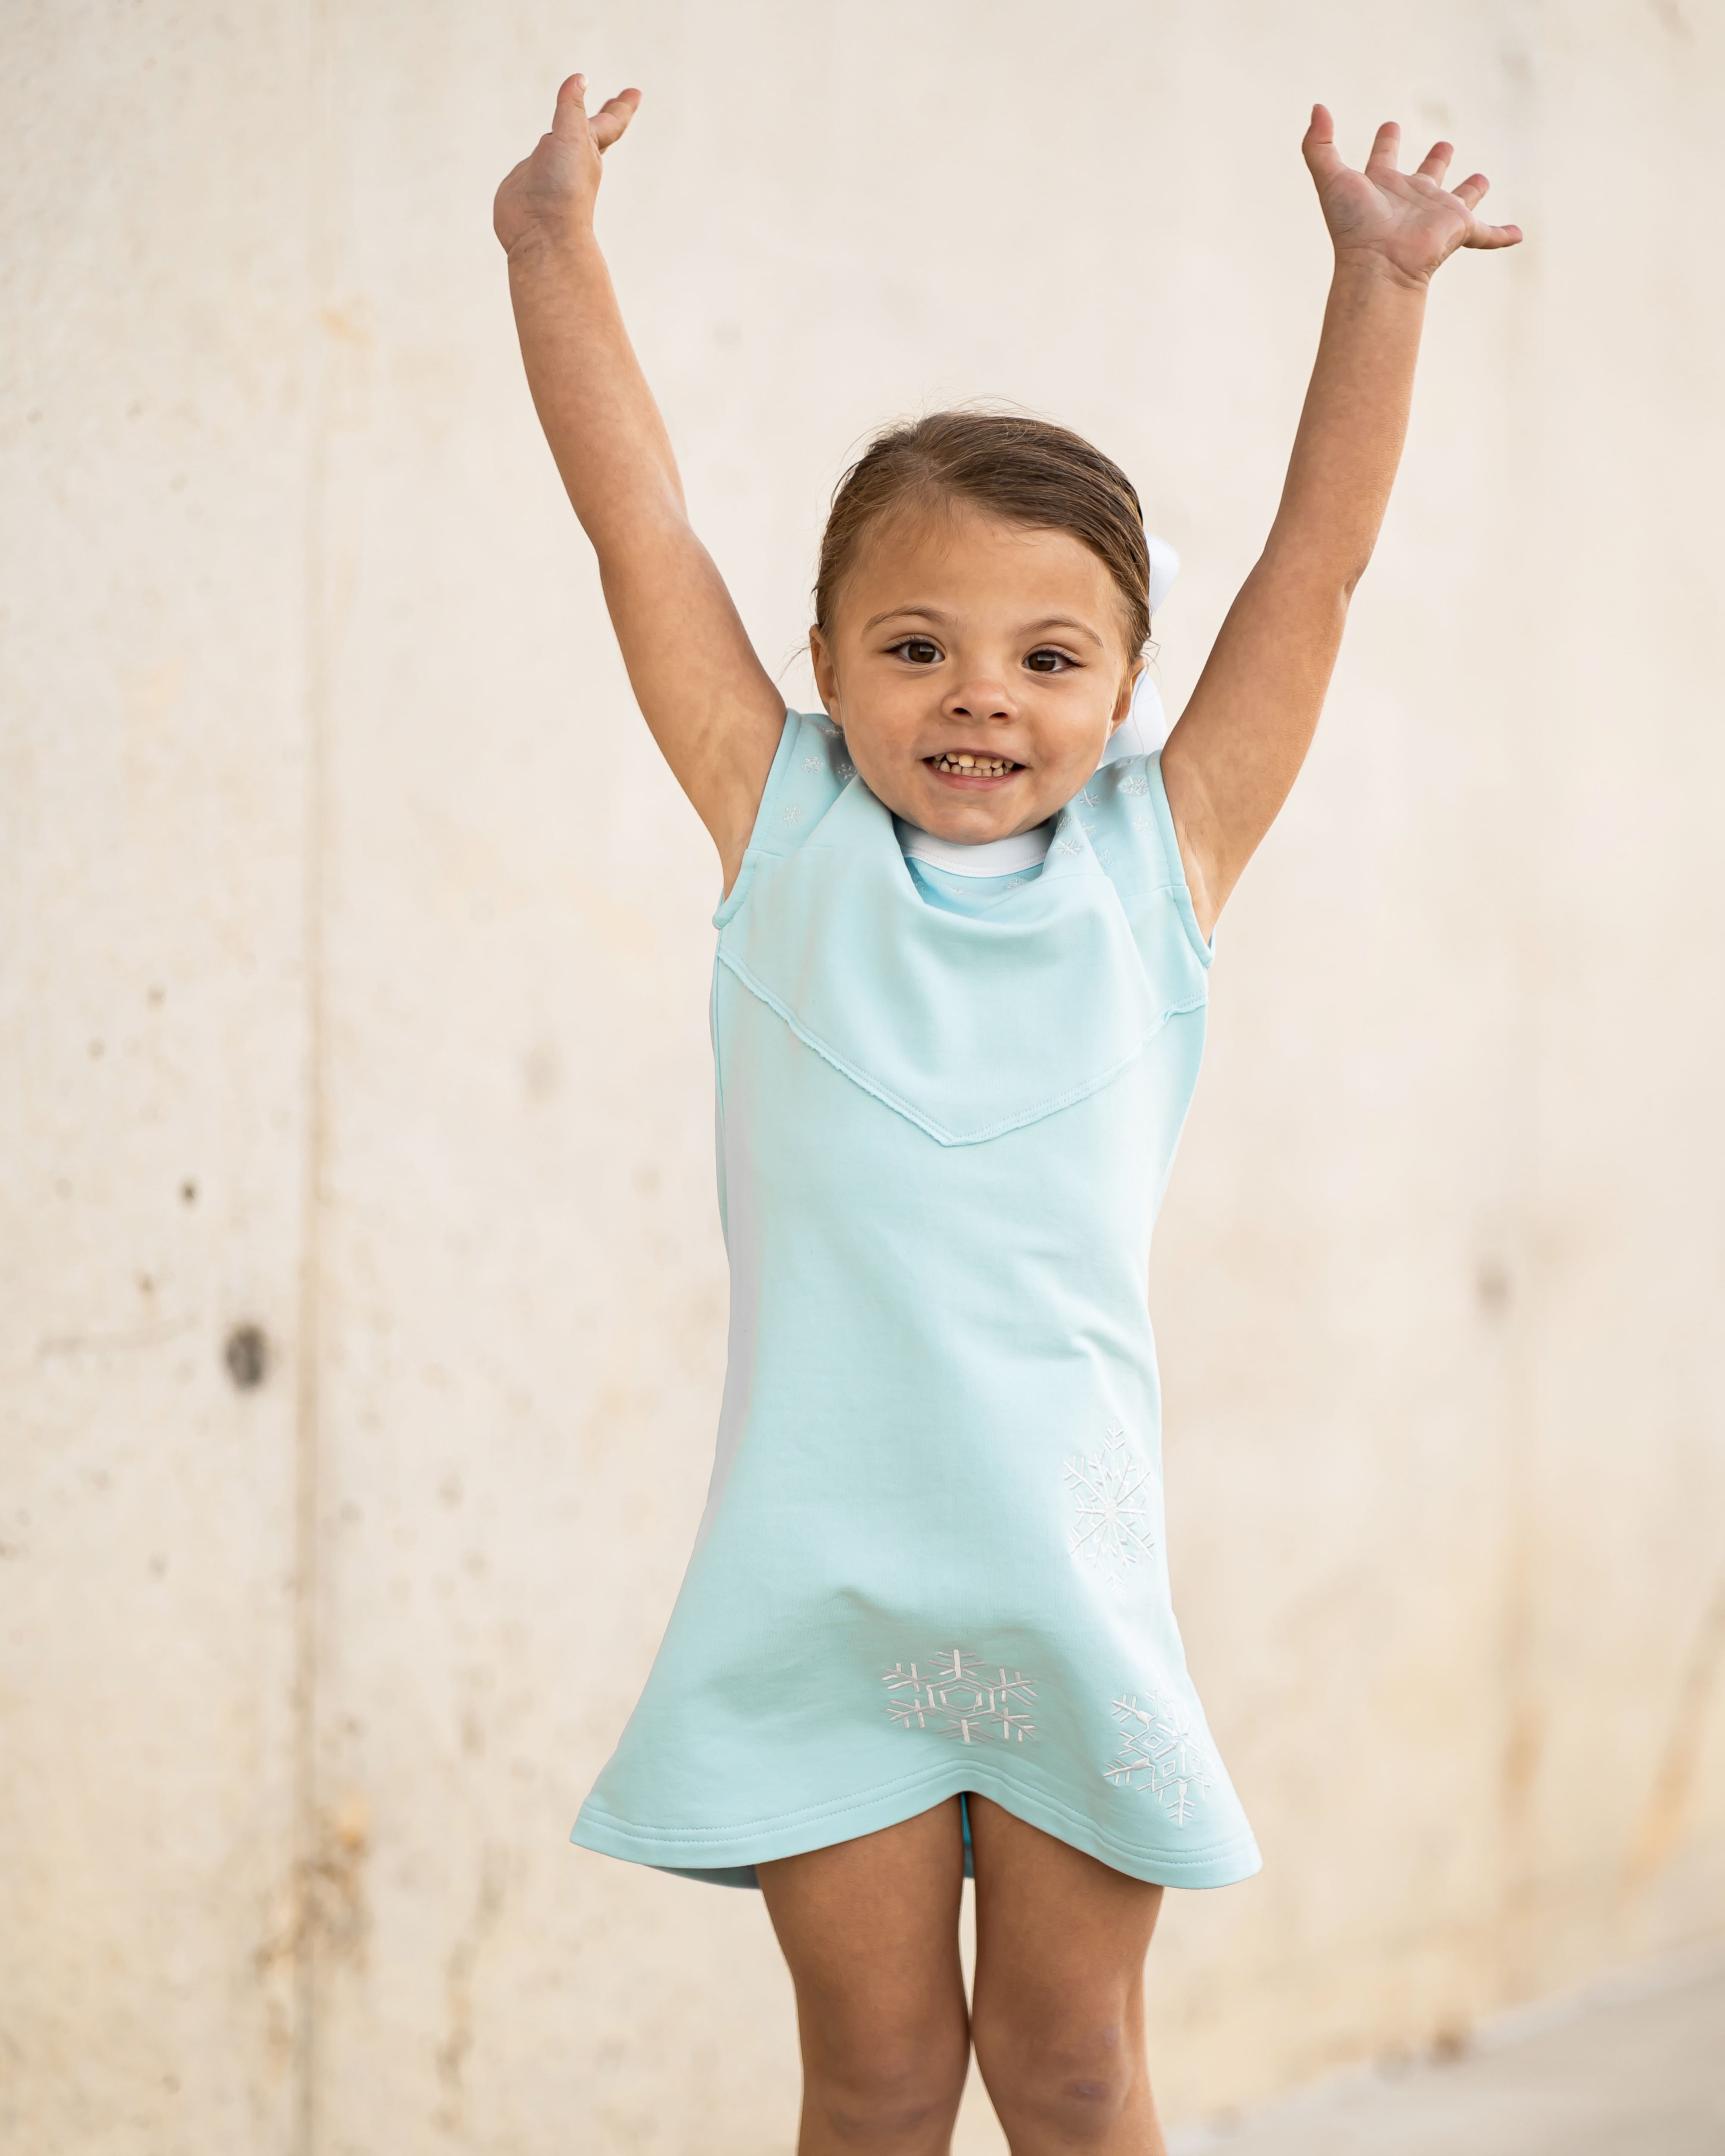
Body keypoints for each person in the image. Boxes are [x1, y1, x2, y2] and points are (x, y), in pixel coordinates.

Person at [494, 76, 1519, 2156]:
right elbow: (639, 533)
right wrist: (550, 251)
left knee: (1069, 2070)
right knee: (876, 2082)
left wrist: (1379, 293)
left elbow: (1308, 581)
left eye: (1048, 655)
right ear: (823, 665)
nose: (980, 693)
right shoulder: (778, 828)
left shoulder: (1161, 867)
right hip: (817, 1596)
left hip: (1063, 1585)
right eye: (916, 645)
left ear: (1131, 683)